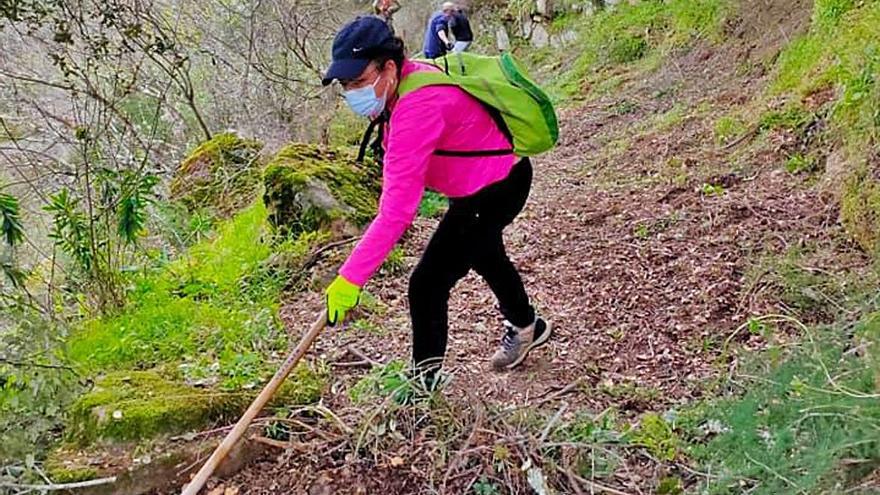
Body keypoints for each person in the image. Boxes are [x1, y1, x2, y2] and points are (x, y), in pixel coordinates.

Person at [321, 16, 552, 379]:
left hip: (495, 188)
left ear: (390, 67)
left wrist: (351, 278)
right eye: (346, 84)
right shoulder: (408, 81)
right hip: (488, 182)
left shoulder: (418, 107)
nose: (353, 92)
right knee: (484, 252)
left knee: (426, 284)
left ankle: (422, 390)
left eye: (360, 81)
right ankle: (528, 326)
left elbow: (396, 212)